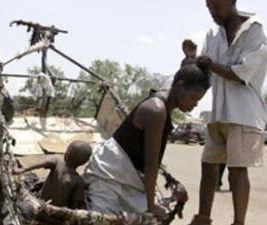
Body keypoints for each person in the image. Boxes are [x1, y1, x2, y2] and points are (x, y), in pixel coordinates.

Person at [83, 64, 210, 221]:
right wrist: (151, 206)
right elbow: (151, 163)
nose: (195, 104)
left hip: (128, 181)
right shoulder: (156, 110)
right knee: (104, 221)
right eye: (193, 98)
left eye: (198, 100)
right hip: (108, 176)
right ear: (179, 86)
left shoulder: (164, 107)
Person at [189, 1, 267, 224]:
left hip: (244, 113)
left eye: (218, 6)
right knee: (208, 166)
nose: (213, 12)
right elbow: (204, 71)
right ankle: (203, 218)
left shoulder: (255, 30)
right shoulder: (213, 34)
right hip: (218, 113)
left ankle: (238, 222)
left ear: (232, 2)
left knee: (237, 171)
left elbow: (242, 74)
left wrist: (209, 63)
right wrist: (191, 64)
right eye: (209, 8)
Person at [13, 140, 92, 209]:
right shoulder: (79, 182)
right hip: (55, 213)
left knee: (31, 178)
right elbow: (75, 206)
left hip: (39, 201)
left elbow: (41, 163)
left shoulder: (57, 161)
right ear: (84, 162)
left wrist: (23, 169)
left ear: (67, 153)